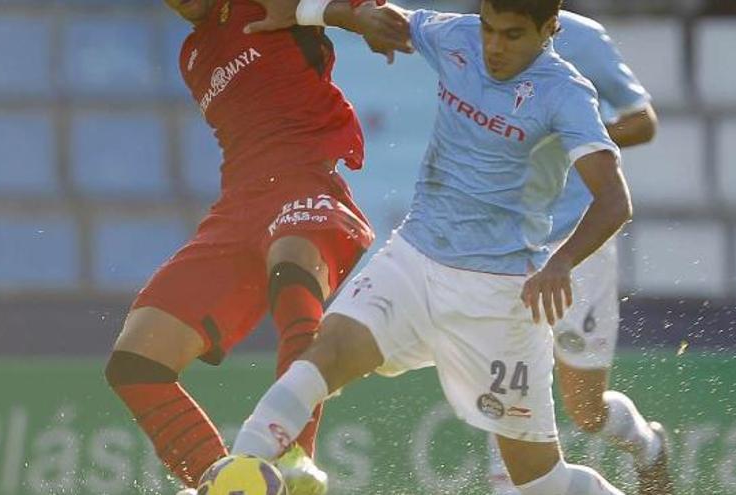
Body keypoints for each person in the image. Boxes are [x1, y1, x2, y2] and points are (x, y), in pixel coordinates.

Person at [226, 0, 639, 493]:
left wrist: (562, 262)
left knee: (538, 485)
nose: (493, 46)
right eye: (488, 28)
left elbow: (615, 200)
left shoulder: (566, 93)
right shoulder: (455, 36)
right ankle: (235, 467)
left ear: (549, 29)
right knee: (328, 350)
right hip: (415, 258)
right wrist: (305, 11)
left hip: (501, 297)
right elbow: (379, 19)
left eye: (511, 35)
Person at [101, 1, 411, 494]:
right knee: (135, 361)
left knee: (293, 271)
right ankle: (225, 483)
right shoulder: (193, 54)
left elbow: (339, 7)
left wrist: (359, 16)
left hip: (307, 180)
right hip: (238, 207)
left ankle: (291, 458)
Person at [486, 9, 673, 495]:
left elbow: (642, 121)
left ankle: (648, 447)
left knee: (585, 411)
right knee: (503, 384)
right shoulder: (473, 35)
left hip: (577, 242)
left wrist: (574, 137)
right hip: (502, 245)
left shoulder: (583, 39)